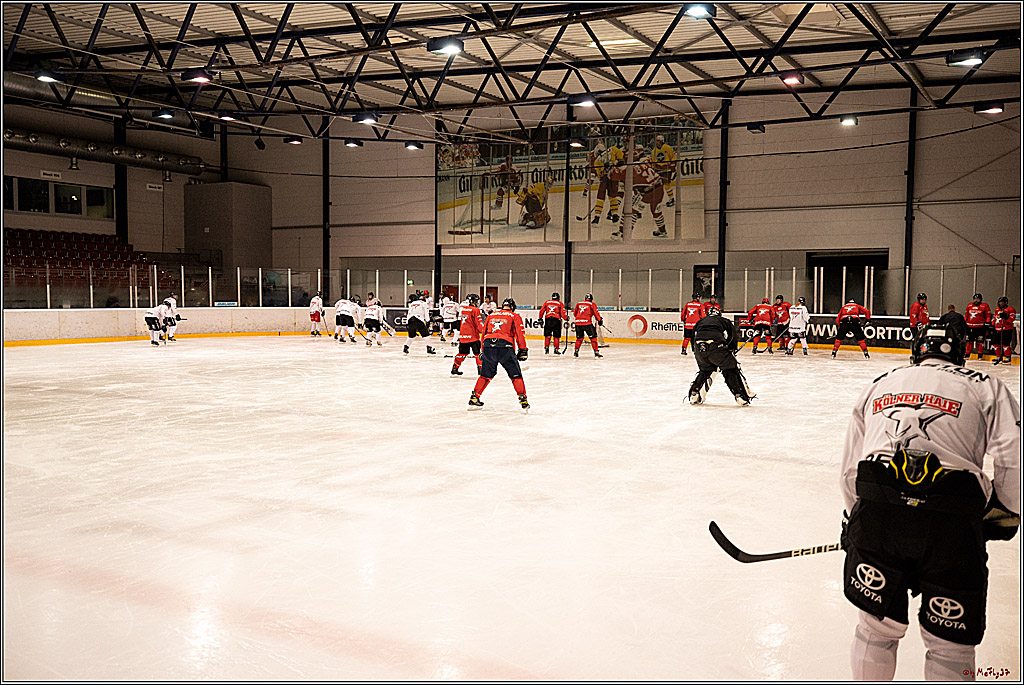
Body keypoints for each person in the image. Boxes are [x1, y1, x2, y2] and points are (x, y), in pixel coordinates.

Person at [839, 322, 1020, 681]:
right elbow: (1014, 457)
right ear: (961, 351)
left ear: (917, 349)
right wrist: (1005, 512)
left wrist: (853, 520)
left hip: (879, 515)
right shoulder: (988, 386)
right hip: (951, 525)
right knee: (950, 642)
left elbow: (850, 468)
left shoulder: (880, 383)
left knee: (877, 628)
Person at [468, 297, 530, 412]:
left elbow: (484, 333)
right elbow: (520, 334)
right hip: (504, 346)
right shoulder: (514, 316)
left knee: (486, 375)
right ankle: (523, 399)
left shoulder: (491, 315)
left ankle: (474, 397)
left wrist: (482, 350)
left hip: (488, 345)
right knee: (515, 375)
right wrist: (523, 349)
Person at [687, 312, 754, 406]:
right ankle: (739, 394)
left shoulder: (700, 321)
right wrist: (731, 348)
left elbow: (693, 335)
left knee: (706, 370)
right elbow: (732, 333)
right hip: (716, 346)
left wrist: (695, 350)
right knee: (730, 368)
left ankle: (695, 392)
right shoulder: (723, 320)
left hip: (699, 348)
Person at [451, 293, 485, 376]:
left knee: (462, 353)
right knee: (477, 353)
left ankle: (455, 368)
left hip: (463, 336)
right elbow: (479, 323)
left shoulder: (464, 309)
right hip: (473, 336)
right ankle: (481, 370)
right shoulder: (475, 310)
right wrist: (485, 331)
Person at [573, 293, 603, 358]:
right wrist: (599, 320)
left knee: (579, 338)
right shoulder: (592, 304)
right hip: (587, 324)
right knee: (593, 338)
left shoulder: (579, 304)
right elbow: (596, 313)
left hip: (578, 323)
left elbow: (575, 314)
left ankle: (576, 351)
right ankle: (596, 352)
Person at [964, 293, 992, 361]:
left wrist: (987, 324)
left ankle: (980, 355)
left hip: (980, 327)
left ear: (981, 299)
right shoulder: (969, 305)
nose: (976, 300)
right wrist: (964, 322)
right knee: (969, 342)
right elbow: (966, 315)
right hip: (970, 326)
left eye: (978, 299)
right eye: (975, 299)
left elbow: (988, 315)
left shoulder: (985, 306)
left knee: (980, 342)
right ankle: (967, 354)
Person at [992, 296, 1016, 365]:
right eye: (999, 302)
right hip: (997, 329)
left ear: (1006, 302)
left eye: (1002, 302)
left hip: (1007, 329)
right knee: (995, 343)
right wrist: (992, 325)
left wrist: (1006, 316)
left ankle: (1008, 357)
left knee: (1005, 344)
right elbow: (995, 318)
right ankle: (998, 356)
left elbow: (1012, 320)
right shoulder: (997, 309)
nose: (1000, 304)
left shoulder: (1011, 309)